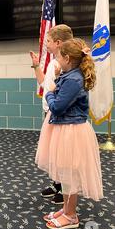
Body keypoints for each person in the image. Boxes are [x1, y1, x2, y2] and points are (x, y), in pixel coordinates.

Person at [35, 38, 103, 229]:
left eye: (57, 56)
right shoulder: (69, 75)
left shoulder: (74, 79)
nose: (55, 60)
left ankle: (71, 215)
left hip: (71, 132)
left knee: (69, 175)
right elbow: (62, 95)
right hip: (65, 129)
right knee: (65, 174)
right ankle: (66, 209)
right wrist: (56, 80)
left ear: (66, 58)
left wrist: (49, 91)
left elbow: (57, 106)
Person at [29, 24, 73, 205]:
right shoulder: (53, 63)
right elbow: (43, 85)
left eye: (47, 41)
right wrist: (36, 65)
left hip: (59, 114)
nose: (45, 44)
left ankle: (65, 187)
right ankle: (57, 183)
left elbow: (60, 93)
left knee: (62, 153)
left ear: (58, 42)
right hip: (49, 112)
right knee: (54, 152)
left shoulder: (64, 65)